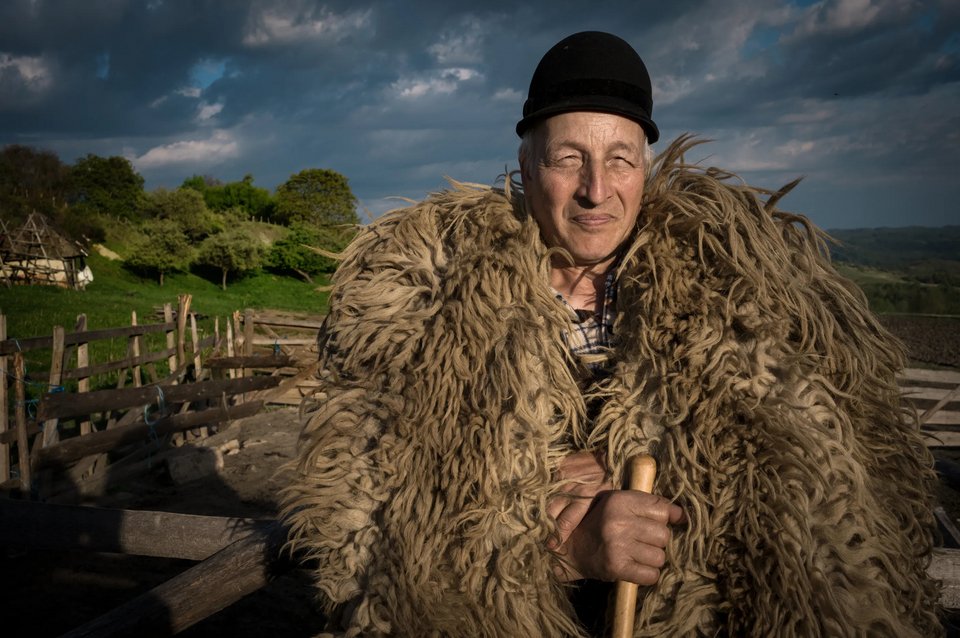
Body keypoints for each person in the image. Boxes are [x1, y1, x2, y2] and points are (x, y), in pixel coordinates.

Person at [282, 31, 941, 637]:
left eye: (619, 159)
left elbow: (811, 486)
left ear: (645, 169)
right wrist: (563, 547)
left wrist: (653, 474)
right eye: (570, 157)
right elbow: (365, 531)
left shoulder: (739, 295)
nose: (597, 190)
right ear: (527, 165)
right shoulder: (423, 307)